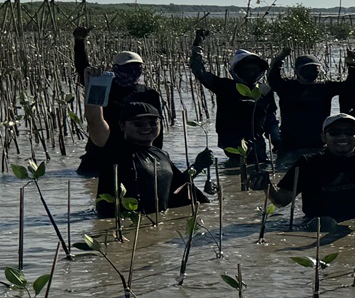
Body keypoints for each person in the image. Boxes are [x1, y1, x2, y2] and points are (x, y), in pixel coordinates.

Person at [82, 71, 205, 218]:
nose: (146, 127)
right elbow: (94, 120)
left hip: (155, 226)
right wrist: (95, 85)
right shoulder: (114, 150)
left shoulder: (161, 155)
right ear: (122, 125)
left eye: (152, 123)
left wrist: (198, 167)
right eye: (138, 123)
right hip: (122, 230)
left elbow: (176, 190)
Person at [72, 26, 165, 175]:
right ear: (115, 68)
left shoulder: (149, 94)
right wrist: (79, 42)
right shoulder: (104, 88)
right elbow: (83, 70)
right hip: (103, 149)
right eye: (128, 67)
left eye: (137, 67)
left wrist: (157, 156)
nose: (133, 71)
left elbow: (157, 127)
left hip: (135, 153)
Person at [190, 29, 279, 166]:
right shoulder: (225, 86)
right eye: (246, 69)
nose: (251, 73)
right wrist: (197, 45)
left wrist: (277, 141)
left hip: (257, 143)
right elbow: (199, 71)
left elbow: (271, 119)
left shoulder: (264, 90)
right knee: (237, 170)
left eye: (254, 69)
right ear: (236, 71)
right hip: (231, 143)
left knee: (260, 169)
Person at [268, 48, 346, 167]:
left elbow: (351, 85)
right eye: (306, 69)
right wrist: (281, 57)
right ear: (297, 71)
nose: (310, 72)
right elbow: (273, 77)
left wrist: (352, 63)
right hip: (291, 145)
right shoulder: (286, 87)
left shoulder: (325, 88)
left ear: (319, 70)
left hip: (318, 143)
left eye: (314, 69)